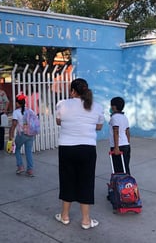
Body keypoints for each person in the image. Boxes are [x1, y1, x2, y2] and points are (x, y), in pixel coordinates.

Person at [54, 78, 104, 230]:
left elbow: (58, 121)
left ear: (72, 91)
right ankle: (86, 220)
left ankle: (64, 216)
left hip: (66, 148)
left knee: (67, 180)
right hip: (87, 148)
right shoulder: (97, 106)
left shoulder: (62, 104)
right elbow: (99, 126)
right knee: (86, 182)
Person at [9, 93, 35, 177]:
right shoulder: (30, 110)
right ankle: (30, 170)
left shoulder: (16, 112)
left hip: (21, 134)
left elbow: (14, 124)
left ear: (17, 103)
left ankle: (20, 167)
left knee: (17, 149)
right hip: (31, 134)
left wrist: (11, 135)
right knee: (28, 152)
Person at [109, 96, 131, 174]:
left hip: (118, 146)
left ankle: (121, 184)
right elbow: (127, 131)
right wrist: (128, 143)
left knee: (118, 169)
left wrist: (116, 147)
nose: (110, 108)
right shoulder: (124, 117)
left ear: (114, 107)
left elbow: (116, 131)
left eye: (111, 106)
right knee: (125, 167)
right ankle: (128, 184)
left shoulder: (114, 118)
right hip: (126, 146)